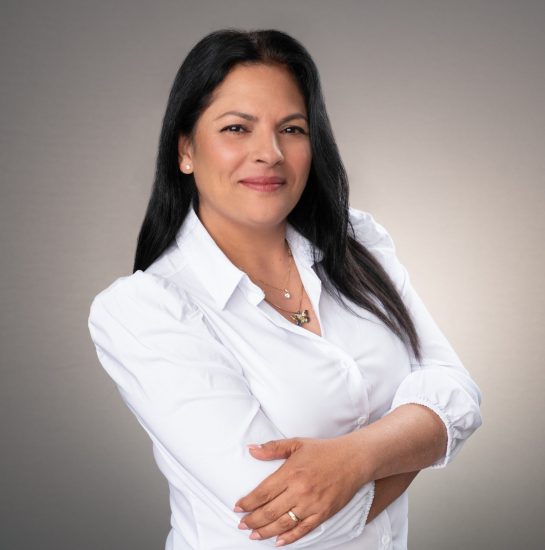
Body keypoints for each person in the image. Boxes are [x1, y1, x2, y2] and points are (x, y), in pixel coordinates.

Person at [87, 28, 482, 550]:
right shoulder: (144, 309)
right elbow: (289, 518)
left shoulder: (357, 241)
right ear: (185, 149)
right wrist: (417, 439)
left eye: (292, 129)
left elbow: (460, 392)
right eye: (236, 128)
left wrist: (356, 458)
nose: (269, 153)